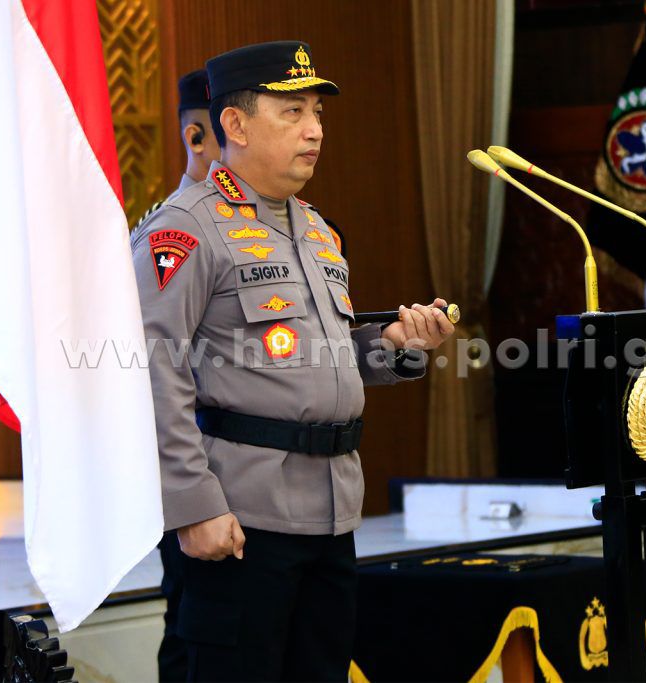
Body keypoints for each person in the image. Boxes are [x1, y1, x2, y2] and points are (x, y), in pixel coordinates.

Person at [131, 41, 455, 681]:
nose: (315, 131)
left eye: (317, 113)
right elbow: (150, 371)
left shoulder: (315, 229)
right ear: (235, 123)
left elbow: (316, 358)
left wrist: (396, 346)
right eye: (293, 112)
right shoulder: (186, 229)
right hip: (240, 518)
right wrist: (193, 506)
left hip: (331, 513)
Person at [151, 67, 220, 683]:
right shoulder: (167, 231)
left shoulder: (297, 226)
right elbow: (154, 363)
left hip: (273, 484)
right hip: (195, 466)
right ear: (196, 137)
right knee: (193, 638)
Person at [137, 68, 221, 231]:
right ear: (196, 139)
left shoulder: (256, 210)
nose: (242, 141)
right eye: (230, 131)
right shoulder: (167, 222)